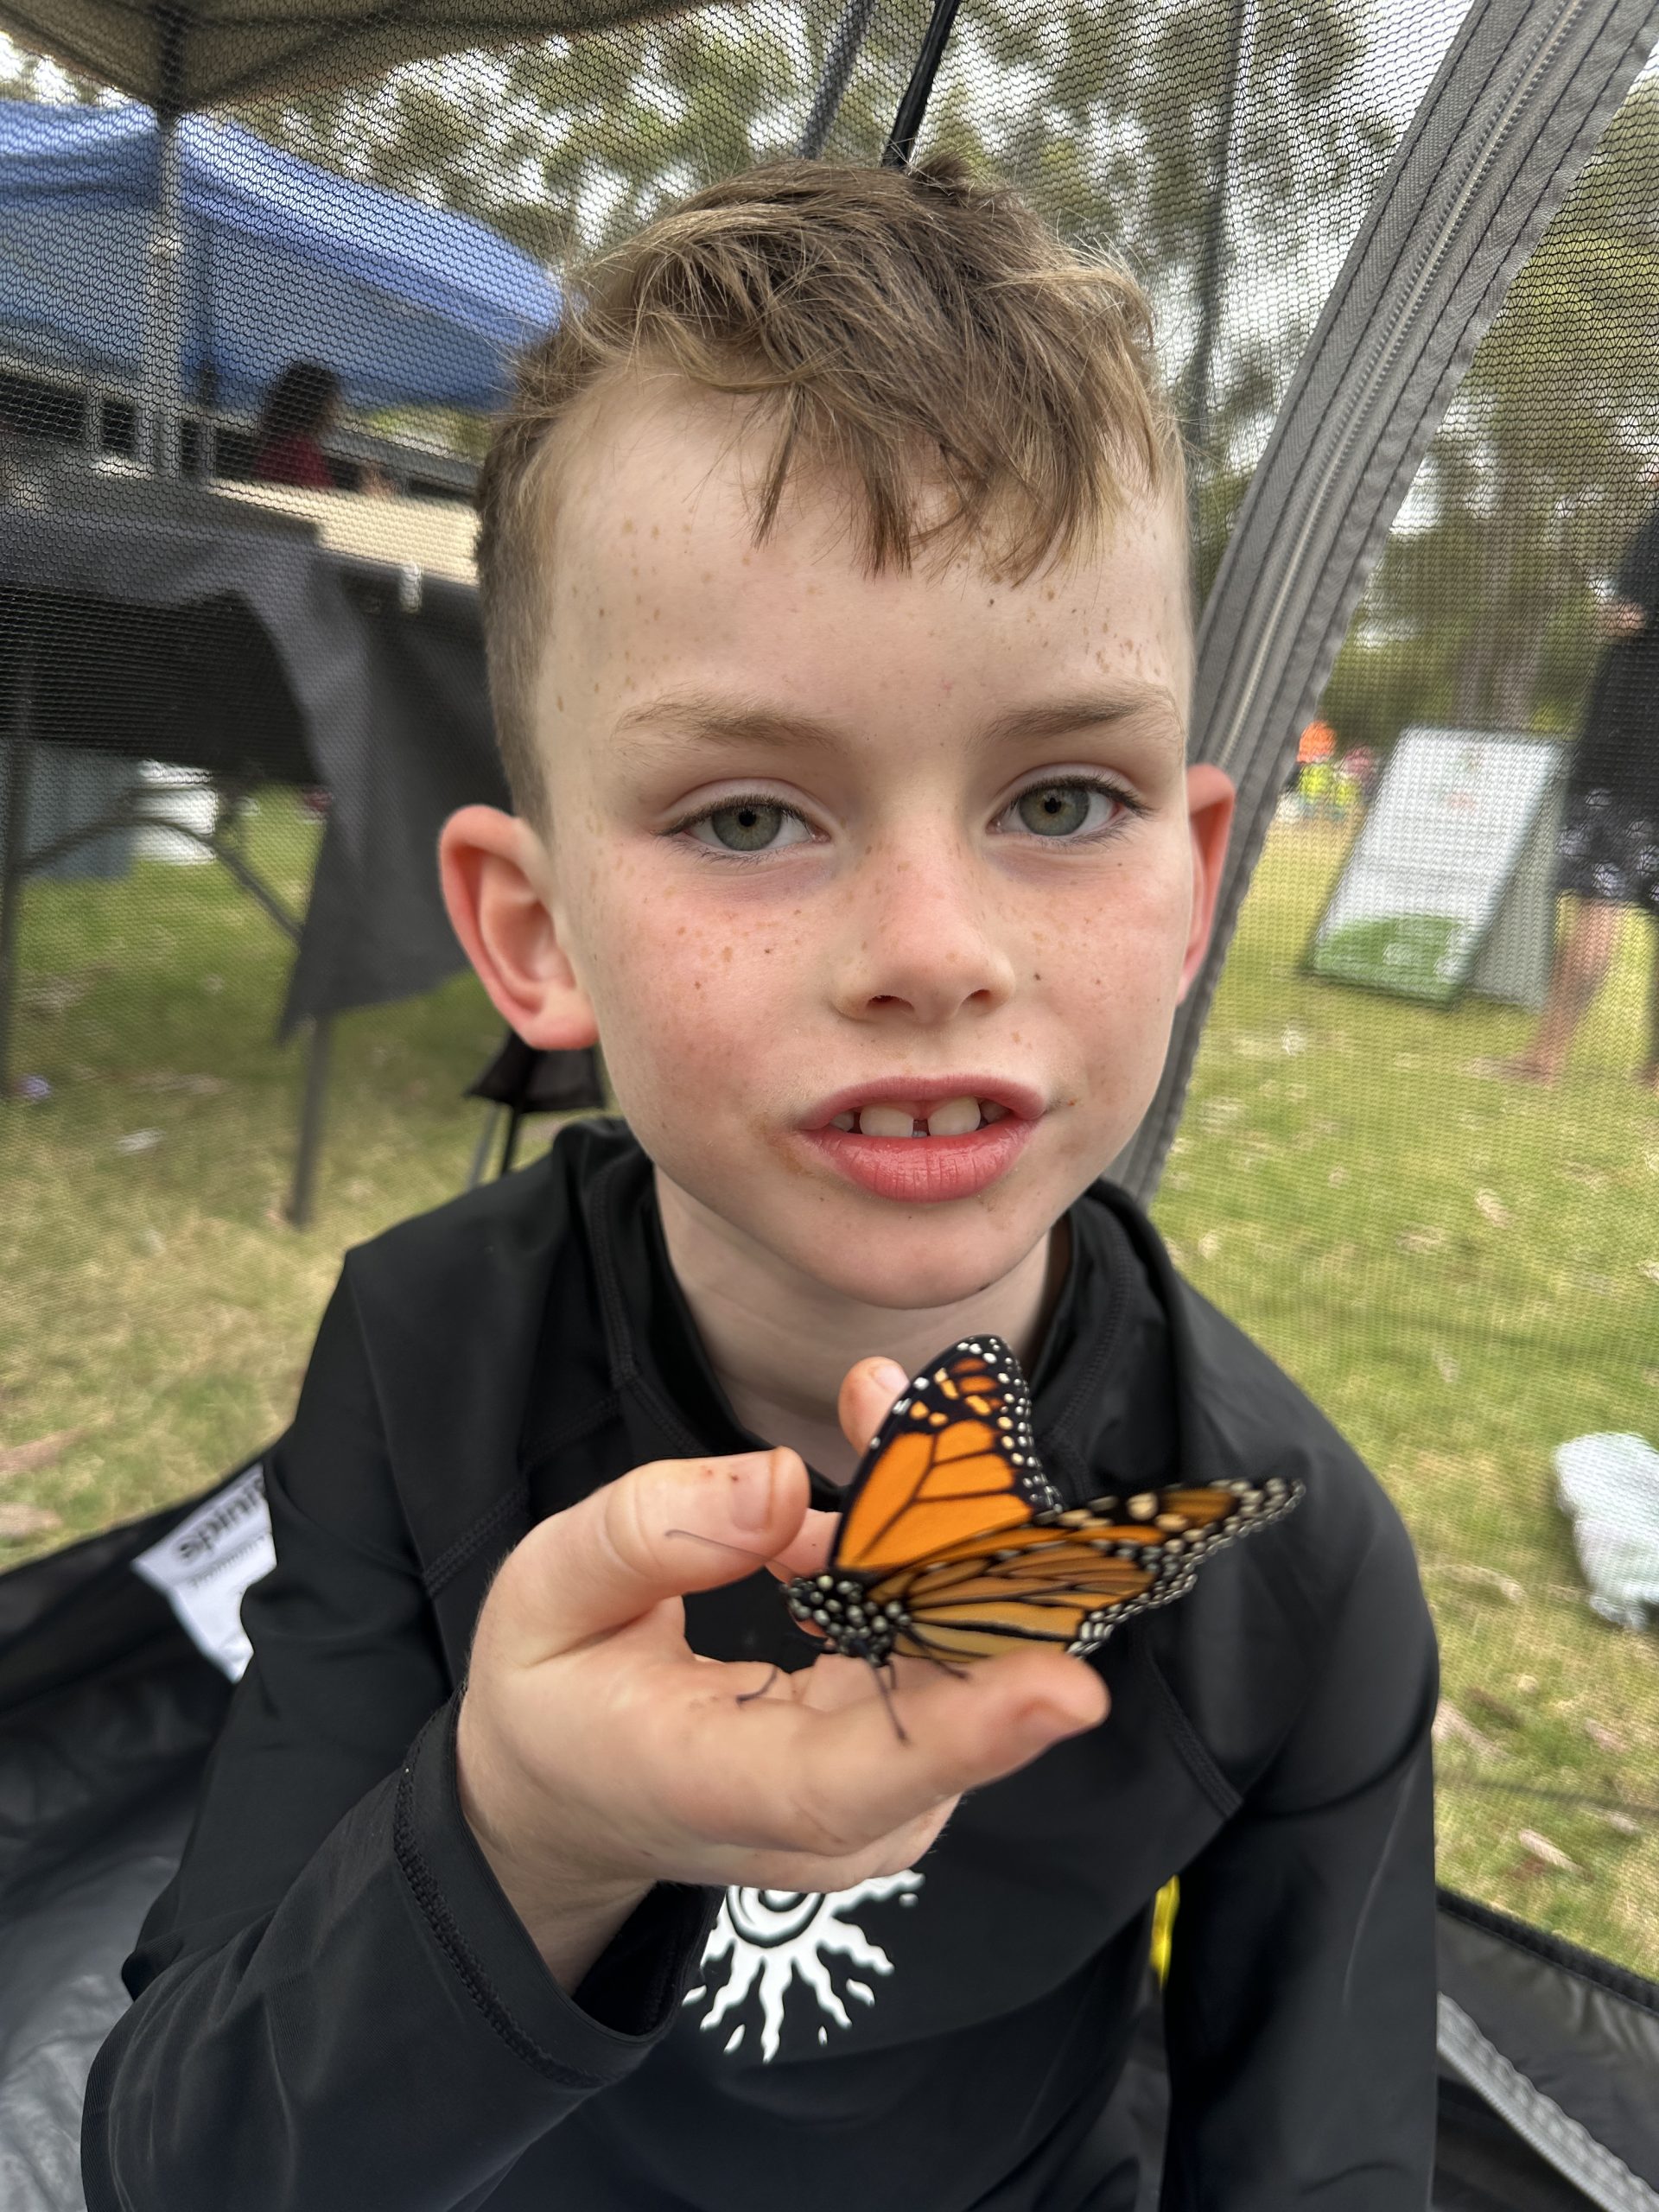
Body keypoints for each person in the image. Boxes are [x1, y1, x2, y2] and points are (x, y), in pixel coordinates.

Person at [82, 159, 1438, 2211]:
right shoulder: (426, 1346)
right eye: (746, 812)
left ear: (1190, 883)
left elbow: (1317, 2156)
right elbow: (184, 2156)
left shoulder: (1290, 1553)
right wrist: (522, 1823)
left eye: (1059, 798)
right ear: (531, 935)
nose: (929, 942)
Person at [1501, 506, 1659, 1090]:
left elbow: (1627, 615)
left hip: (1630, 756)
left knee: (1599, 902)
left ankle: (1544, 1059)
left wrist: (1608, 610)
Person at [251, 360, 392, 497]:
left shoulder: (277, 446)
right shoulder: (298, 452)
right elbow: (316, 505)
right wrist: (368, 499)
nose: (337, 412)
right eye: (333, 404)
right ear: (316, 406)